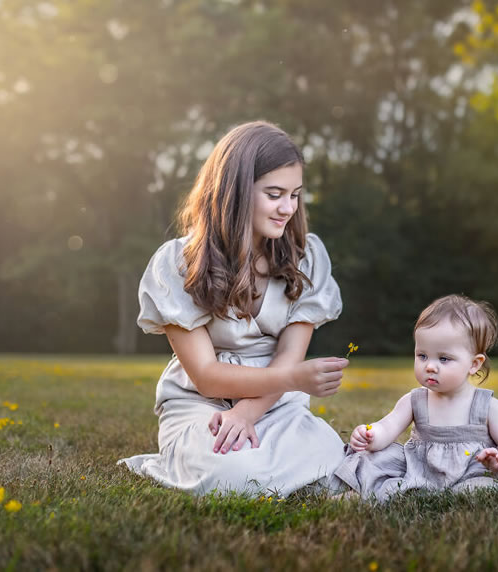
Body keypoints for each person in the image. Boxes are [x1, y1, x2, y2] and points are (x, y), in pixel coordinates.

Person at [118, 121, 349, 497]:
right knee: (231, 474)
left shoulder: (306, 257)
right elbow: (207, 375)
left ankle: (277, 454)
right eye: (274, 194)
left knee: (332, 460)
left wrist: (248, 412)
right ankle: (198, 459)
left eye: (295, 195)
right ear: (236, 192)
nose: (288, 208)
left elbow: (289, 358)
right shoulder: (177, 263)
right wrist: (293, 381)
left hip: (276, 406)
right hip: (200, 403)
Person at [331, 294, 498, 500]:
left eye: (444, 358)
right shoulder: (415, 400)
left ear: (474, 364)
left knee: (482, 489)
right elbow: (389, 426)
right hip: (419, 473)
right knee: (376, 462)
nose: (430, 366)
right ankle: (369, 494)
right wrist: (372, 435)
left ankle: (460, 495)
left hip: (472, 473)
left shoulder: (488, 407)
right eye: (422, 355)